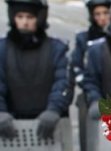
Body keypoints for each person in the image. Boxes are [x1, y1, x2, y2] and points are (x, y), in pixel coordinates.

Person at [0, 0, 70, 139]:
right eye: (20, 17)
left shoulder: (56, 48)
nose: (24, 22)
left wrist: (54, 109)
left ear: (39, 18)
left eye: (30, 17)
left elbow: (63, 81)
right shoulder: (2, 49)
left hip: (49, 123)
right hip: (10, 126)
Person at [69, 0, 111, 92]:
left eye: (106, 13)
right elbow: (76, 64)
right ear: (92, 16)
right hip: (90, 89)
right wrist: (84, 81)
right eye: (97, 14)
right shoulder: (83, 38)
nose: (102, 17)